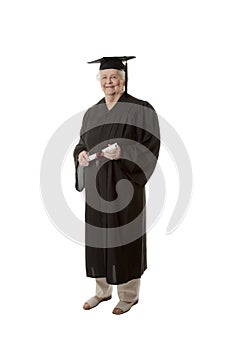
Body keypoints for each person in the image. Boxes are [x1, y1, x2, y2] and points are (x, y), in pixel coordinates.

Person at [73, 56, 160, 315]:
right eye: (105, 77)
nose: (109, 82)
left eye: (114, 77)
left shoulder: (140, 109)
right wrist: (80, 154)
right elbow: (82, 142)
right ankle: (102, 291)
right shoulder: (92, 112)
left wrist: (124, 151)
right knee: (99, 237)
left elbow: (151, 145)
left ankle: (129, 295)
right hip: (97, 186)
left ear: (123, 80)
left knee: (125, 237)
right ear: (99, 81)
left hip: (125, 185)